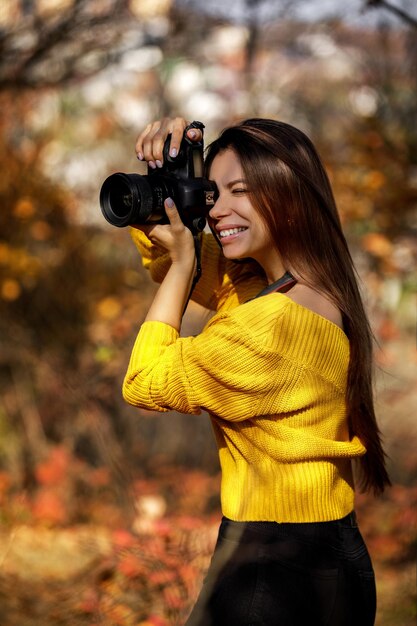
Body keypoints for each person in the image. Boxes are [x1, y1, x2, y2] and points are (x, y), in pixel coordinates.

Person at [122, 116, 390, 625]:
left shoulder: (267, 329)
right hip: (326, 550)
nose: (217, 210)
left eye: (239, 191)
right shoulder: (298, 289)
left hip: (272, 566)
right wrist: (165, 182)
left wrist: (181, 267)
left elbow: (144, 380)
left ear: (288, 194)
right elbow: (181, 261)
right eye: (211, 192)